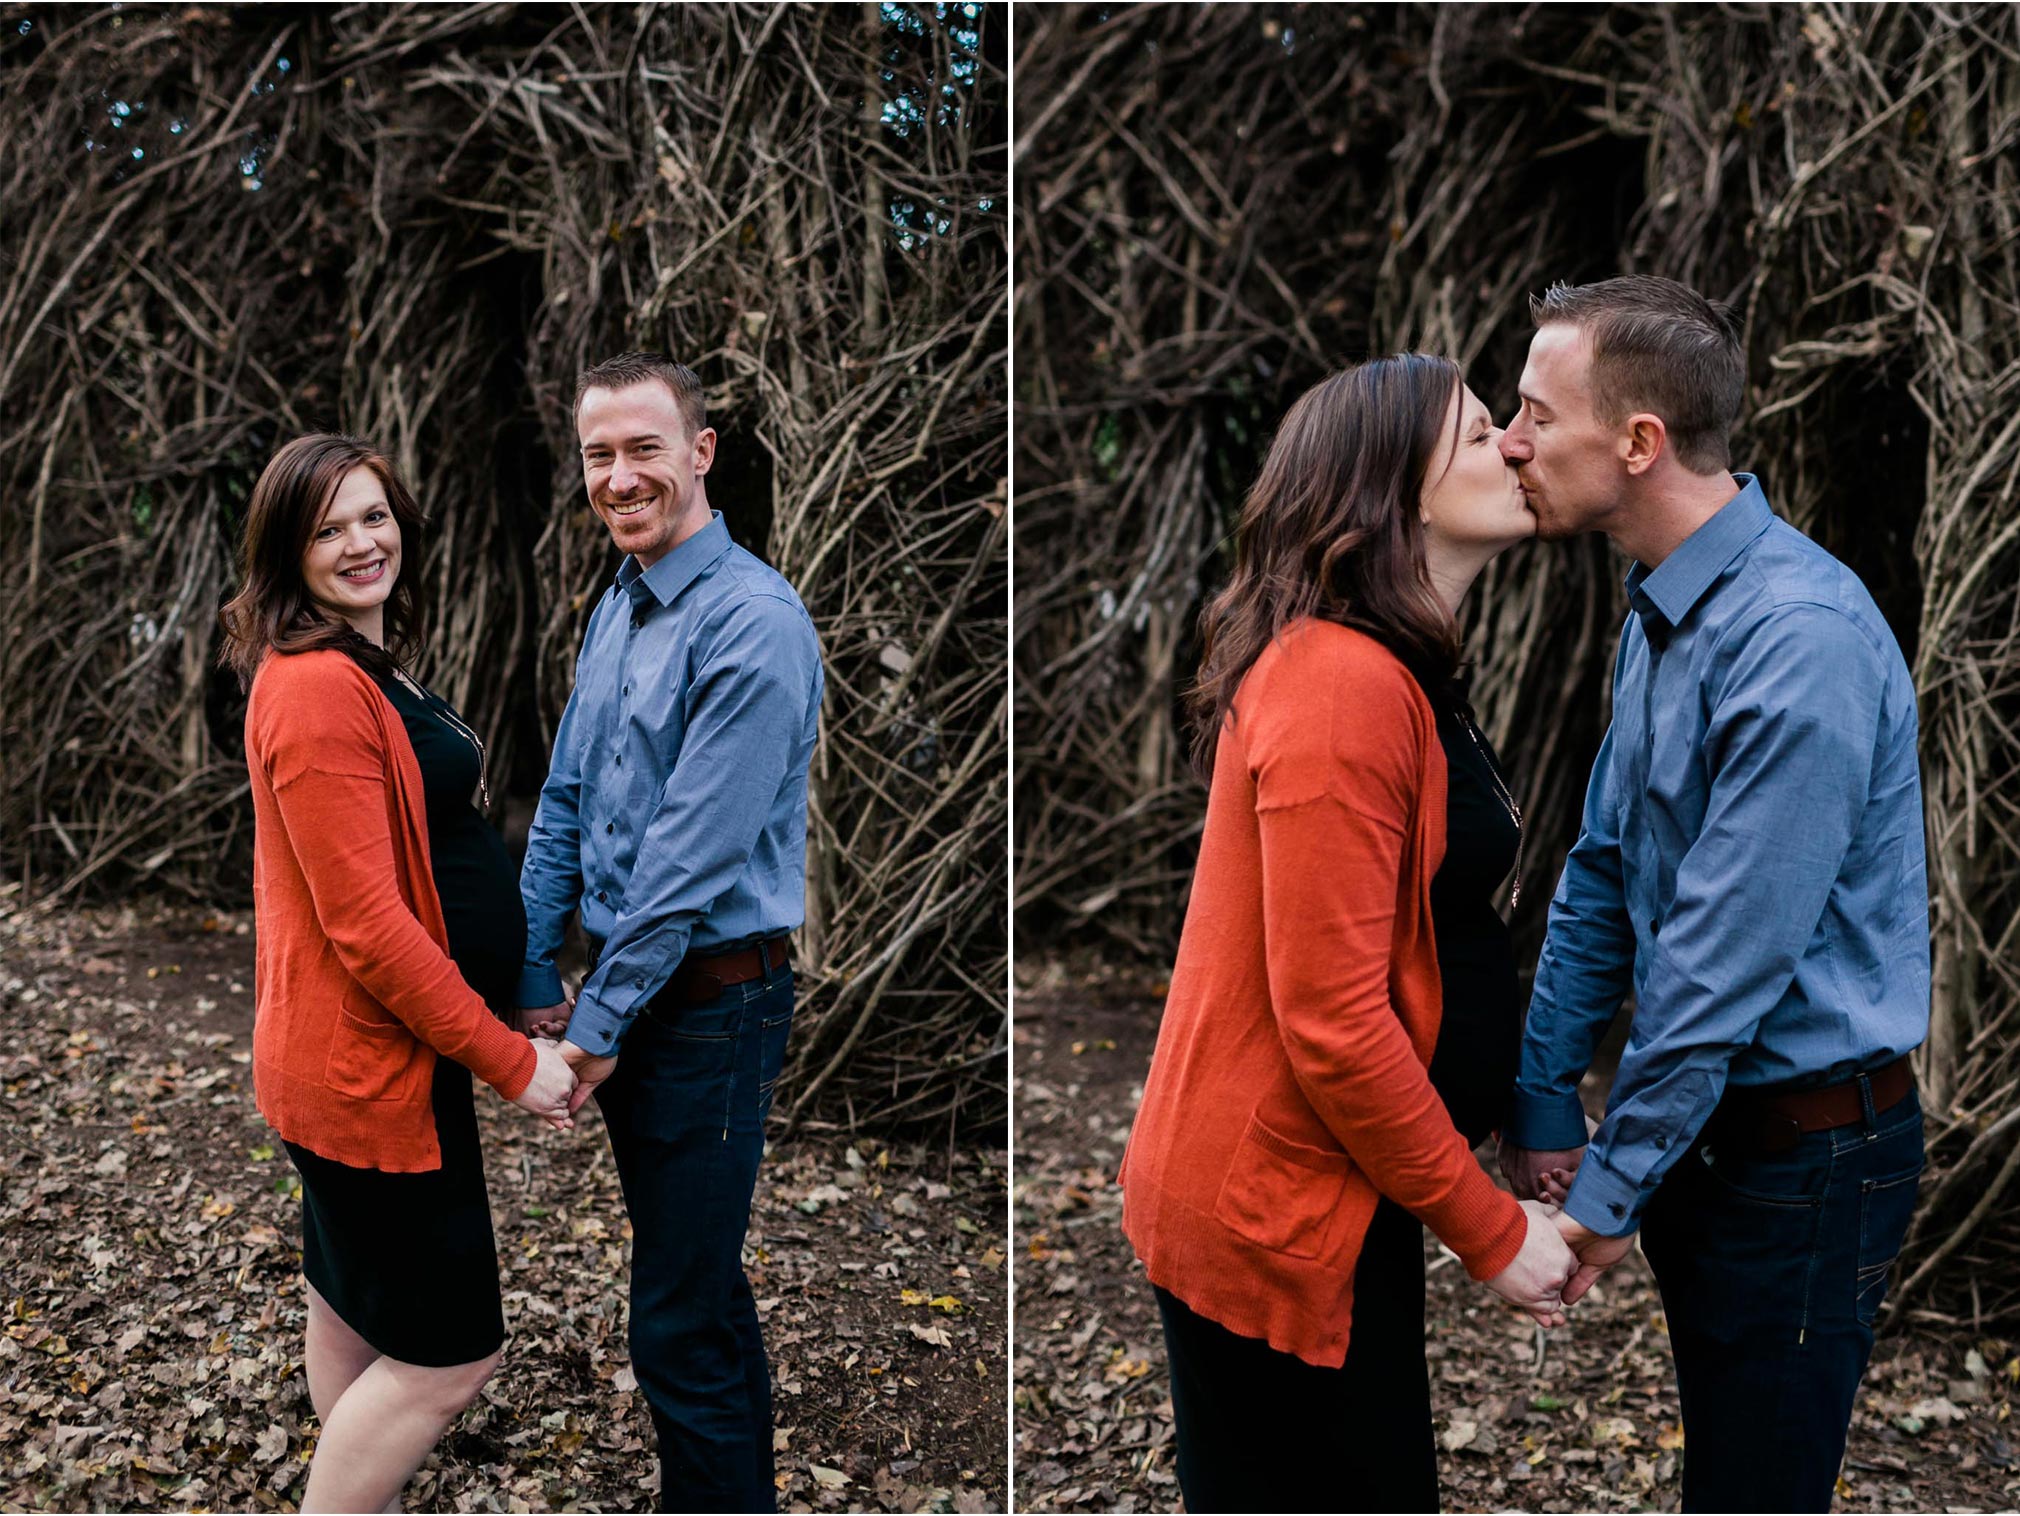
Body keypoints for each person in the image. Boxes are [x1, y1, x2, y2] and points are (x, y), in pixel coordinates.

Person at [1495, 275, 1930, 1513]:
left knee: (1756, 1492)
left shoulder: (1796, 640)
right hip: (1715, 1137)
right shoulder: (1668, 605)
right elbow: (1604, 863)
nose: (1512, 440)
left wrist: (1606, 1194)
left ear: (1637, 443)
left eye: (1537, 412)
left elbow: (1712, 970)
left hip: (1807, 1159)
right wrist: (1542, 1095)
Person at [1117, 354, 1578, 1514]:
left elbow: (1445, 927)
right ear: (1392, 490)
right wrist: (1488, 1231)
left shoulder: (1406, 670)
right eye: (1480, 437)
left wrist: (1518, 1111)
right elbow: (1328, 1018)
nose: (1514, 447)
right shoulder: (1341, 686)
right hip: (1270, 1203)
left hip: (1344, 1184)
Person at [220, 434, 579, 1513]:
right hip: (366, 1068)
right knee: (449, 1356)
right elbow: (369, 927)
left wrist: (511, 971)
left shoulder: (363, 662)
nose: (358, 542)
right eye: (325, 529)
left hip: (370, 1062)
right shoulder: (318, 690)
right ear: (288, 552)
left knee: (353, 1306)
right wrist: (513, 1062)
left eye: (372, 516)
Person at [516, 353, 824, 1513]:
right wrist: (534, 964)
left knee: (678, 1316)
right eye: (599, 453)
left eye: (645, 447)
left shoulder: (753, 621)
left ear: (700, 452)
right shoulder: (620, 604)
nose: (619, 474)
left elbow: (685, 866)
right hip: (642, 997)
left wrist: (592, 1031)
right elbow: (565, 799)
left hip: (713, 1007)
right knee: (694, 1283)